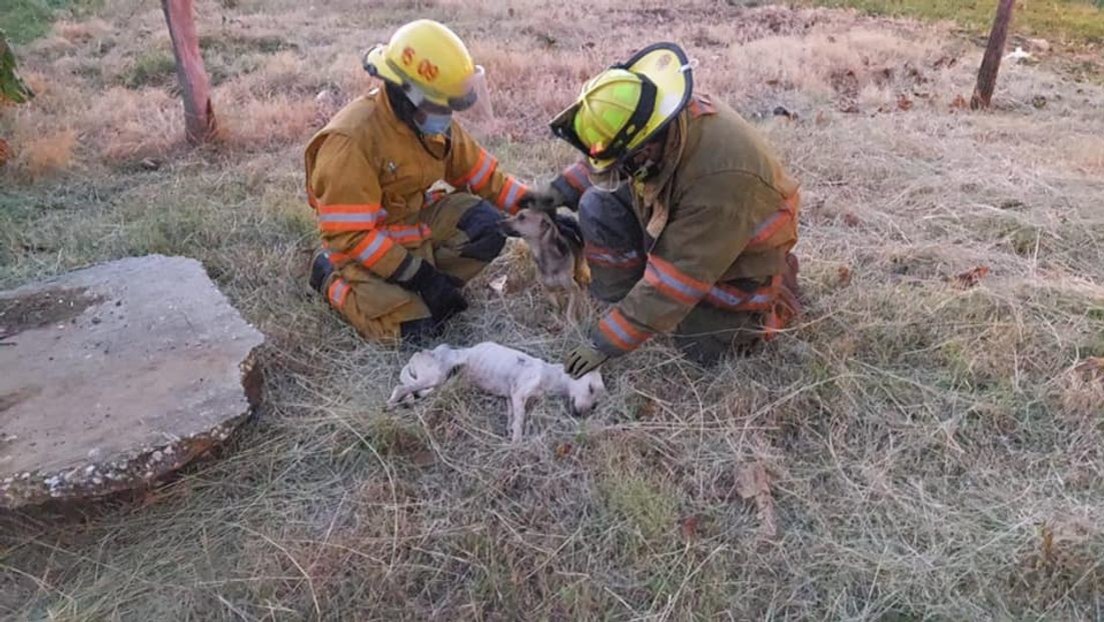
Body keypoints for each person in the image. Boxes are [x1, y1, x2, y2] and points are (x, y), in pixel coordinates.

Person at [523, 43, 802, 378]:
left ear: (646, 144)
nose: (621, 170)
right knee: (599, 203)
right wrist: (554, 194)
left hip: (738, 254)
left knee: (700, 347)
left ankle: (774, 298)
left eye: (626, 162)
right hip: (687, 220)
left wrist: (604, 342)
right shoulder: (656, 122)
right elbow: (609, 160)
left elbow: (674, 281)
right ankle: (627, 302)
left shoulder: (718, 181)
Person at [305, 19, 555, 342]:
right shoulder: (351, 141)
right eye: (441, 105)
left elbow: (487, 178)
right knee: (417, 333)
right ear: (404, 94)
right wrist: (420, 276)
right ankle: (329, 279)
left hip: (412, 226)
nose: (447, 115)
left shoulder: (427, 121)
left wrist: (545, 215)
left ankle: (423, 293)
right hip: (362, 251)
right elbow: (351, 236)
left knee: (487, 226)